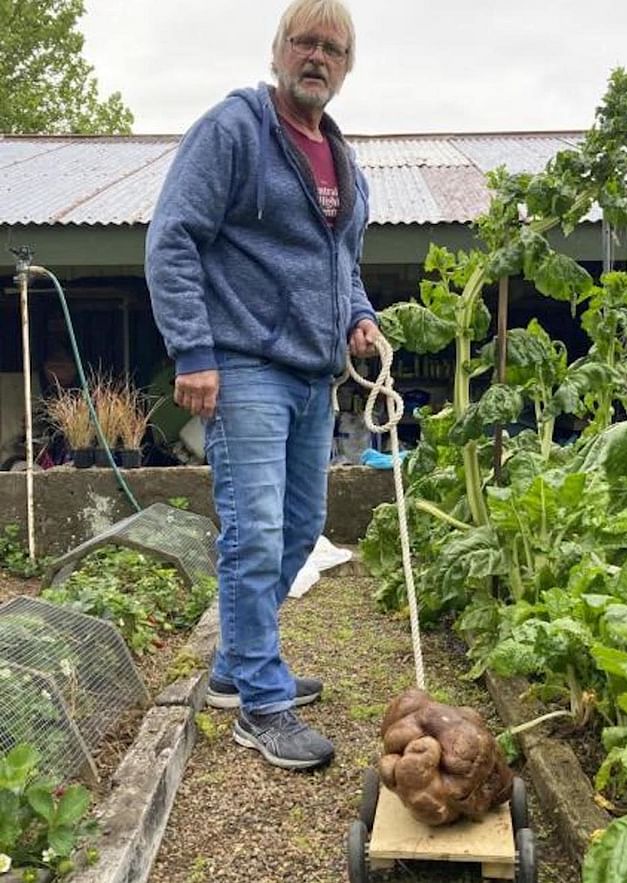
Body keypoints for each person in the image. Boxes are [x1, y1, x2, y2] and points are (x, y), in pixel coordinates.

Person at [145, 0, 378, 771]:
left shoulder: (340, 158)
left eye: (332, 48)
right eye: (304, 42)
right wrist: (193, 350)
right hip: (242, 364)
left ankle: (233, 667)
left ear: (346, 67)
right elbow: (173, 237)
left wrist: (359, 318)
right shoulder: (236, 130)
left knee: (301, 527)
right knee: (254, 534)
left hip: (313, 375)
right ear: (279, 51)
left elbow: (342, 263)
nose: (317, 56)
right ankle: (261, 704)